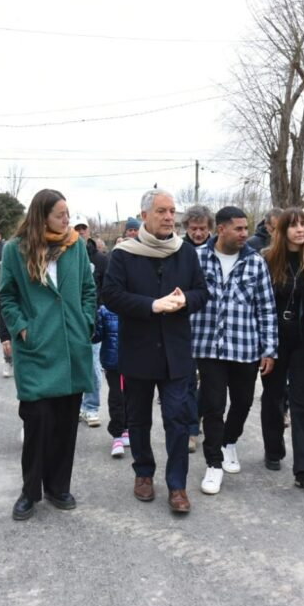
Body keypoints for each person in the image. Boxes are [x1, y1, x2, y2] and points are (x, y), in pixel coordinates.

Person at [102, 189, 208, 513]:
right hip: (138, 351)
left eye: (172, 211)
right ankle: (143, 473)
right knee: (138, 419)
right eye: (161, 211)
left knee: (177, 419)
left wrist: (185, 300)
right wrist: (152, 305)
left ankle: (177, 485)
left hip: (176, 354)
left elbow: (202, 292)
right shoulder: (124, 254)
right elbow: (111, 295)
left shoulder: (185, 252)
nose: (169, 217)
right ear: (145, 215)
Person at [0, 189, 97, 521]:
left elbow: (88, 289)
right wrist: (21, 328)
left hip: (71, 345)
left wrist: (85, 321)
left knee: (66, 424)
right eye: (60, 215)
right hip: (36, 348)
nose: (67, 220)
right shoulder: (15, 249)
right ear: (42, 217)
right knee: (37, 420)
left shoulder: (76, 246)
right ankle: (30, 491)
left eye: (68, 213)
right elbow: (7, 296)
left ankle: (58, 487)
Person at [191, 206, 277, 495]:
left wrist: (269, 349)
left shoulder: (255, 262)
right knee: (213, 406)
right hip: (208, 347)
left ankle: (229, 441)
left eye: (245, 228)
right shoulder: (197, 258)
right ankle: (213, 463)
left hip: (245, 347)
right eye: (238, 228)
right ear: (221, 229)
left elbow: (266, 309)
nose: (244, 234)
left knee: (243, 401)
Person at [260, 208, 304, 488]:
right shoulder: (266, 260)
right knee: (273, 397)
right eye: (293, 225)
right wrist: (264, 346)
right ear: (282, 230)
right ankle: (273, 448)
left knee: (303, 402)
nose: (300, 230)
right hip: (275, 339)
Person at [180, 204, 214, 453]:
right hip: (185, 325)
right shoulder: (179, 250)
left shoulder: (217, 250)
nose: (198, 233)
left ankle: (199, 417)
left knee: (211, 383)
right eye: (193, 228)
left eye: (202, 228)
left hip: (212, 325)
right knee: (187, 381)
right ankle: (191, 429)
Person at [74, 215, 107, 428]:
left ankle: (92, 407)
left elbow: (106, 287)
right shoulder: (63, 256)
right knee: (74, 366)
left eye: (83, 228)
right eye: (75, 228)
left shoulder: (100, 259)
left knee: (94, 365)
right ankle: (76, 406)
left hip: (93, 320)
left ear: (88, 231)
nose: (80, 232)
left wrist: (99, 310)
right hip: (70, 322)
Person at [96, 303, 127, 457]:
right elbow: (96, 336)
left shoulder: (135, 304)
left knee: (132, 396)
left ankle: (127, 428)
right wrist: (93, 320)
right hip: (112, 361)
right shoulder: (105, 310)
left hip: (133, 360)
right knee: (116, 396)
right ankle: (117, 435)